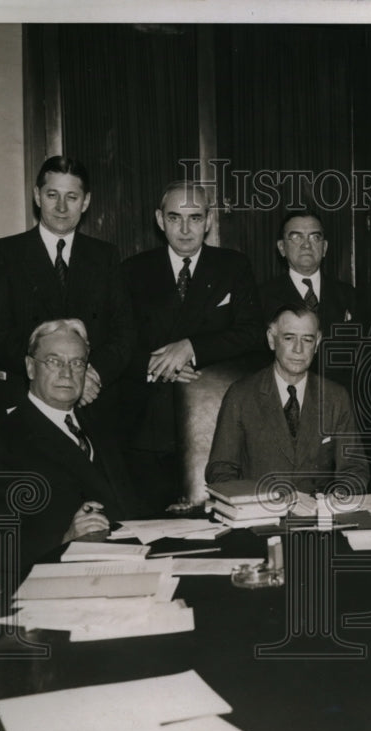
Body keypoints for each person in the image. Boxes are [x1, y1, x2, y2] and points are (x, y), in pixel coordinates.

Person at [122, 180, 265, 512]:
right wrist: (156, 366)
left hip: (213, 426)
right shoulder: (132, 271)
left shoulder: (233, 266)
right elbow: (119, 343)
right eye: (175, 218)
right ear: (160, 220)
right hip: (149, 428)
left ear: (209, 220)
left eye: (195, 218)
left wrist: (191, 347)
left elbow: (252, 333)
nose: (185, 229)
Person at [0, 319, 142, 583]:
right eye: (54, 361)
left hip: (122, 568)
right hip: (50, 581)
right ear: (30, 367)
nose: (67, 373)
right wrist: (64, 538)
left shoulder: (100, 427)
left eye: (77, 363)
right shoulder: (2, 442)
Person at [0, 156, 135, 423]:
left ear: (85, 202)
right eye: (53, 195)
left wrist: (90, 375)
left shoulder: (105, 255)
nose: (61, 207)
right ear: (38, 196)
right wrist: (65, 375)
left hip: (93, 400)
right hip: (26, 400)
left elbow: (124, 333)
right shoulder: (4, 253)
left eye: (72, 197)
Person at [206, 305, 369, 495]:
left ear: (317, 343)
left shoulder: (335, 397)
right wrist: (249, 506)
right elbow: (221, 470)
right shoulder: (241, 395)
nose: (298, 349)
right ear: (271, 340)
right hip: (259, 515)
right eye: (289, 338)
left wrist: (337, 498)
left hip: (318, 516)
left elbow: (355, 469)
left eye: (307, 340)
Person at [259, 209, 355, 337]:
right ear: (282, 247)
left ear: (324, 248)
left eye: (315, 237)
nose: (306, 245)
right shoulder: (262, 297)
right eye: (296, 237)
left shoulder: (349, 295)